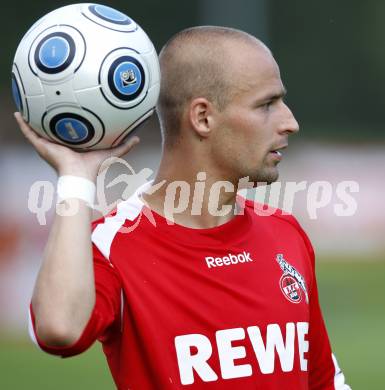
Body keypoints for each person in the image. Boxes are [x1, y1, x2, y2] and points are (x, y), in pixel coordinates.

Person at [15, 26, 351, 389]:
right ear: (203, 117)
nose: (290, 122)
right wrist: (76, 177)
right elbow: (60, 329)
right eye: (266, 105)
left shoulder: (285, 233)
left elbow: (324, 382)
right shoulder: (114, 245)